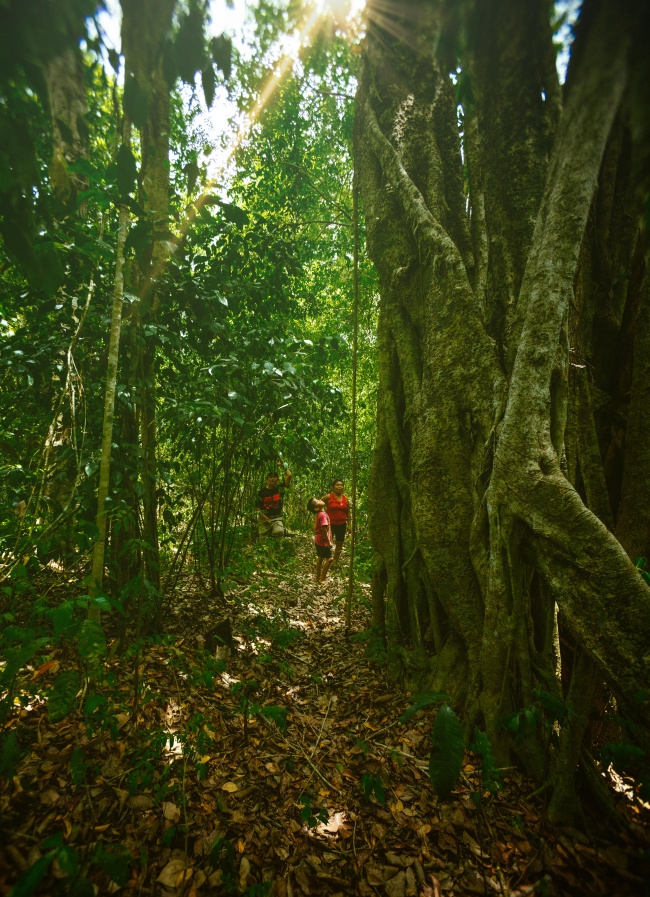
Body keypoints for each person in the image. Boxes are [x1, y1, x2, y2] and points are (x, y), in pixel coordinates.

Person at [255, 461, 292, 537]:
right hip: (263, 519)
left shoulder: (280, 489)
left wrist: (282, 466)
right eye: (270, 477)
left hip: (276, 518)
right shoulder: (261, 492)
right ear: (267, 480)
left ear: (277, 480)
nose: (272, 479)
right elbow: (257, 507)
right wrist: (265, 517)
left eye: (274, 477)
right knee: (264, 542)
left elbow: (289, 475)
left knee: (278, 532)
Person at [321, 478, 349, 568]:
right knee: (327, 543)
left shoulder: (345, 498)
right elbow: (318, 503)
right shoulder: (329, 497)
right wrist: (322, 517)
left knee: (339, 543)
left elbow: (348, 512)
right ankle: (327, 560)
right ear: (333, 487)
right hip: (330, 524)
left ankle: (335, 562)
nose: (339, 486)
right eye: (337, 485)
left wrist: (350, 525)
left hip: (342, 524)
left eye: (341, 485)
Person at [307, 497, 333, 583]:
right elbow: (323, 529)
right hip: (323, 541)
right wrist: (328, 542)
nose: (320, 500)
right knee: (329, 559)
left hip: (318, 540)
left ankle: (317, 578)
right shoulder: (322, 515)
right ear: (316, 508)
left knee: (320, 558)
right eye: (317, 501)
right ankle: (322, 579)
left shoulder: (320, 514)